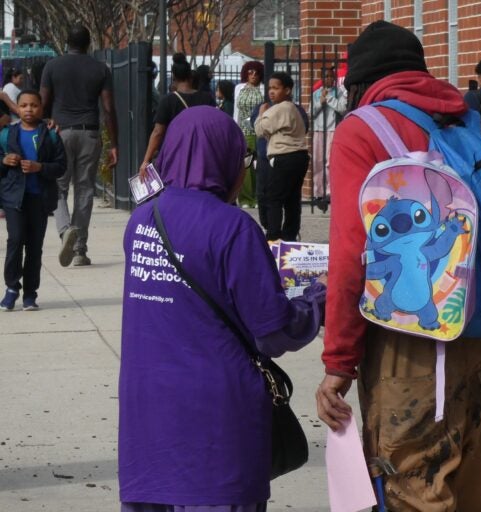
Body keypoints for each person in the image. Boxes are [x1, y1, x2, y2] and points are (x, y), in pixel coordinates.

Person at [315, 21, 481, 512]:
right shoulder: (476, 124)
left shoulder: (361, 130)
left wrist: (338, 362)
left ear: (359, 84)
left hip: (409, 343)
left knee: (414, 490)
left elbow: (352, 256)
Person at [119, 105, 326, 511]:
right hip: (215, 421)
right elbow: (273, 331)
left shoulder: (141, 221)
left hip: (147, 413)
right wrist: (319, 297)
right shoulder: (233, 228)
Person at [40, 24, 118, 267]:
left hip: (60, 132)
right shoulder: (100, 69)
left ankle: (65, 230)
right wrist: (114, 144)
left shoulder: (52, 66)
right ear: (88, 43)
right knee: (84, 190)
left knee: (58, 187)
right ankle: (79, 250)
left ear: (67, 42)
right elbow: (108, 108)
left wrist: (43, 130)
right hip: (89, 133)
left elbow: (42, 103)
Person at [0, 90, 66, 310]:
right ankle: (11, 288)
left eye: (34, 105)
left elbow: (61, 166)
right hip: (14, 199)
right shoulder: (7, 134)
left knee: (34, 246)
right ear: (17, 108)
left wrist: (40, 167)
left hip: (39, 198)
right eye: (24, 105)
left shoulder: (50, 134)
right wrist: (4, 160)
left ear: (41, 108)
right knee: (15, 239)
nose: (29, 109)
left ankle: (30, 294)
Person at [253, 72, 309, 242]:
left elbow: (260, 130)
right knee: (292, 199)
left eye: (276, 88)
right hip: (300, 156)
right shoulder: (294, 109)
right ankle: (290, 235)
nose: (271, 92)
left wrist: (261, 113)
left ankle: (273, 236)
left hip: (284, 157)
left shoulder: (280, 108)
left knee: (274, 198)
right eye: (270, 88)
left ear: (287, 90)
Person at [140, 53, 215, 178]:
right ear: (190, 76)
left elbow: (158, 132)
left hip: (176, 154)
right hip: (202, 153)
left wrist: (146, 160)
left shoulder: (168, 101)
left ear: (174, 77)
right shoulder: (207, 98)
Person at [310, 66, 346, 211]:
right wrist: (320, 102)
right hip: (319, 130)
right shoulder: (316, 93)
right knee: (317, 161)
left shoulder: (339, 92)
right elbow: (310, 112)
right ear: (322, 78)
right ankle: (318, 193)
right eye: (326, 76)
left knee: (330, 162)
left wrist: (329, 98)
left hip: (333, 130)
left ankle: (330, 193)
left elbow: (342, 108)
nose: (329, 79)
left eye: (331, 76)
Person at [234, 61, 264, 209]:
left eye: (256, 73)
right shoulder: (239, 88)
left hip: (260, 129)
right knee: (246, 165)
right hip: (244, 131)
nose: (253, 75)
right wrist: (235, 129)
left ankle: (258, 197)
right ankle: (245, 198)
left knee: (261, 165)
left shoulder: (263, 89)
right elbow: (236, 111)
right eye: (250, 72)